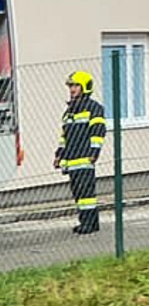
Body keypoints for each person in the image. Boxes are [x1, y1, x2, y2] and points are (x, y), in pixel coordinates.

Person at [54, 69, 106, 234]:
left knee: (86, 194)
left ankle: (89, 225)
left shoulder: (93, 108)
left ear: (85, 87)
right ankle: (87, 222)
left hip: (84, 157)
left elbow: (98, 131)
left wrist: (94, 152)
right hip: (71, 159)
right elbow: (64, 136)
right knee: (78, 194)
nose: (72, 89)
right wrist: (59, 155)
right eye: (70, 86)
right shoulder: (69, 111)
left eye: (76, 85)